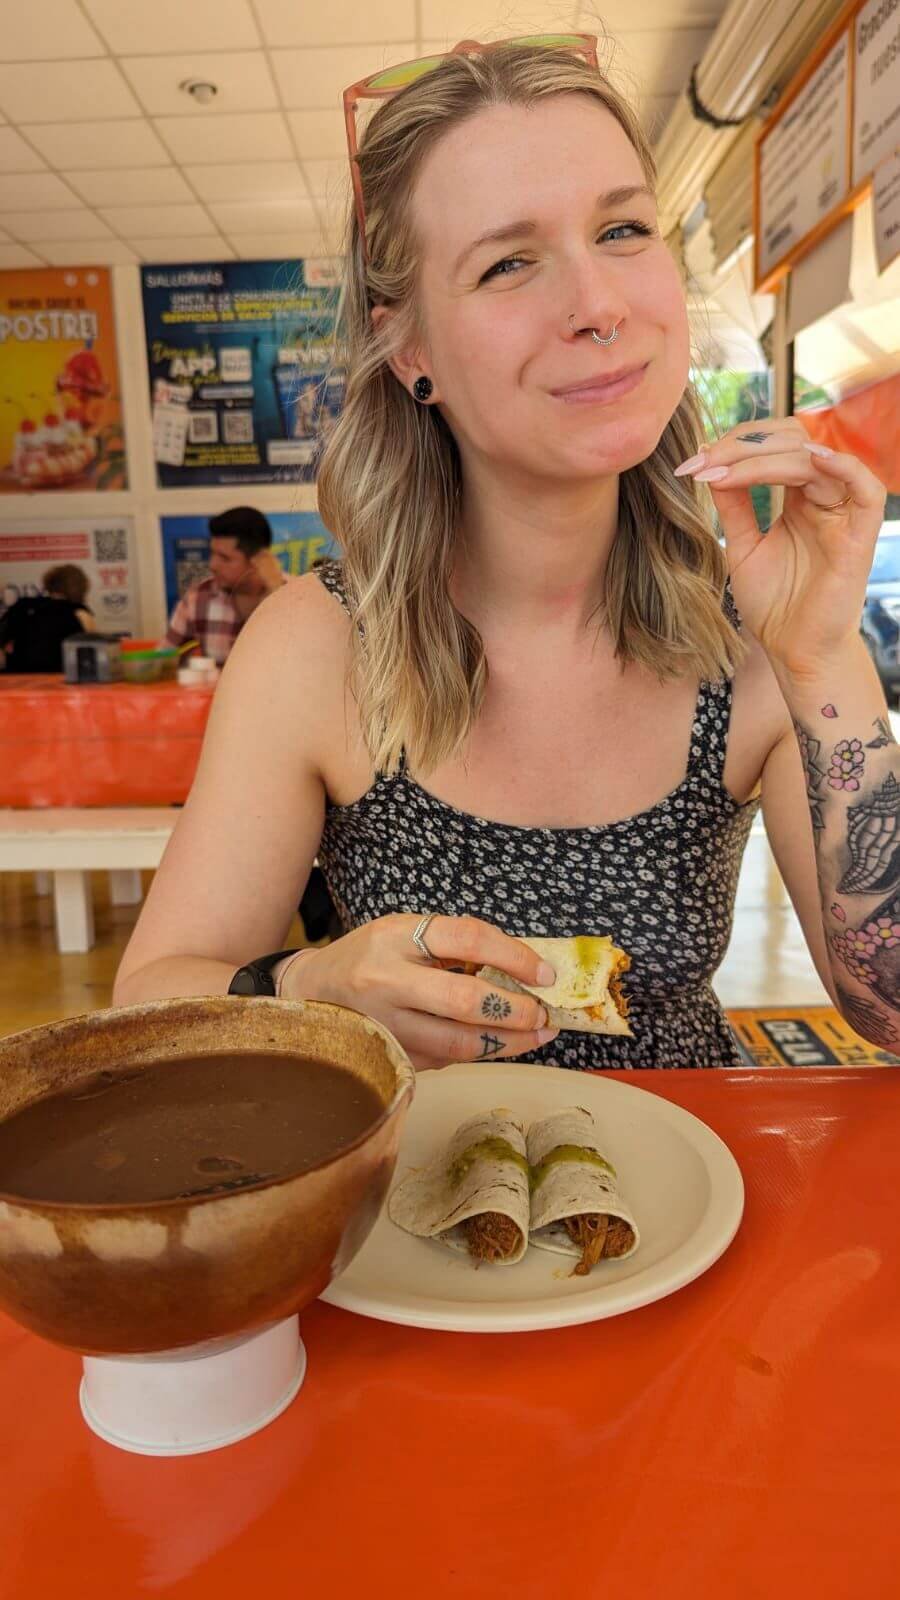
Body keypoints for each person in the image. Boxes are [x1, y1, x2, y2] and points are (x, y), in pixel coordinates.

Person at [116, 37, 893, 1071]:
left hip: (708, 1195)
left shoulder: (751, 627)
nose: (599, 305)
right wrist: (306, 982)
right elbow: (149, 1003)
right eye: (507, 262)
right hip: (412, 1209)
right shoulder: (319, 642)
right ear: (412, 349)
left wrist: (824, 660)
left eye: (622, 228)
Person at [164, 506, 286, 665]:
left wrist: (277, 590)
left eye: (225, 558)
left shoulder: (298, 596)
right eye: (212, 553)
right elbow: (163, 659)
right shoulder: (198, 598)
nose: (212, 565)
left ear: (260, 559)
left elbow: (310, 660)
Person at [0, 564, 94, 673]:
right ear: (80, 588)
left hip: (20, 679)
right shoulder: (80, 612)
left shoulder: (23, 606)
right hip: (62, 680)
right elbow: (95, 652)